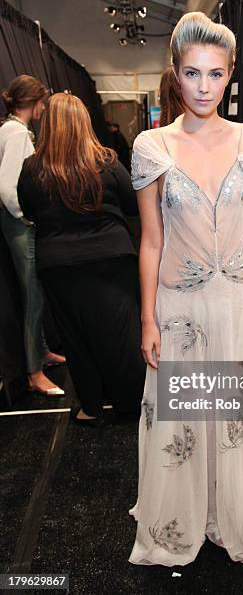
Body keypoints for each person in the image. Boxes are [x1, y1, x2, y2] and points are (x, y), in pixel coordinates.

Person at [128, 11, 243, 574]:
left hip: (236, 306)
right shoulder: (152, 146)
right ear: (175, 74)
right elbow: (151, 244)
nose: (203, 87)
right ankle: (183, 517)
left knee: (235, 416)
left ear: (230, 75)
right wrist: (148, 321)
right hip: (180, 309)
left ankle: (237, 516)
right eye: (191, 73)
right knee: (182, 418)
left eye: (215, 74)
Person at [17, 93, 146, 426]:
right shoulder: (106, 160)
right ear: (84, 122)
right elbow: (133, 206)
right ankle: (130, 406)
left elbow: (28, 211)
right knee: (121, 335)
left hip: (58, 264)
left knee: (76, 340)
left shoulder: (33, 168)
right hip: (111, 259)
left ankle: (91, 407)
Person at [0, 75, 65, 397]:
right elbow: (7, 188)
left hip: (16, 225)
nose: (43, 109)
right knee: (33, 297)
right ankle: (34, 372)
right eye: (41, 103)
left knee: (34, 293)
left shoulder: (12, 130)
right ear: (34, 102)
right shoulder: (15, 133)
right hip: (18, 227)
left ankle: (41, 354)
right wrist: (26, 218)